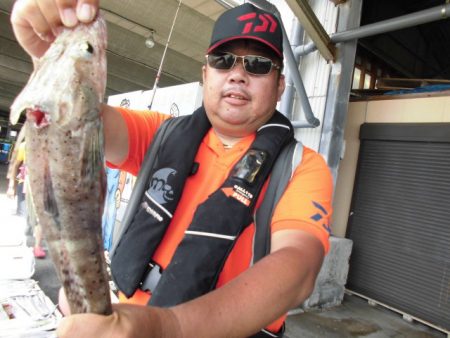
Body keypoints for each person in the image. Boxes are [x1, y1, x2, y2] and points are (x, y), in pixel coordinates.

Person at [11, 1, 333, 337]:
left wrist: (171, 327)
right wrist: (53, 61)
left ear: (280, 86)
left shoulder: (302, 167)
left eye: (258, 65)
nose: (238, 74)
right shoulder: (159, 134)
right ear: (206, 74)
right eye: (223, 61)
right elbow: (73, 118)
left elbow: (298, 266)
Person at [6, 138, 46, 258]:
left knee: (40, 217)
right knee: (25, 218)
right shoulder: (25, 146)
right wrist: (11, 185)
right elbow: (15, 165)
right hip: (25, 185)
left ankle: (37, 246)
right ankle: (22, 241)